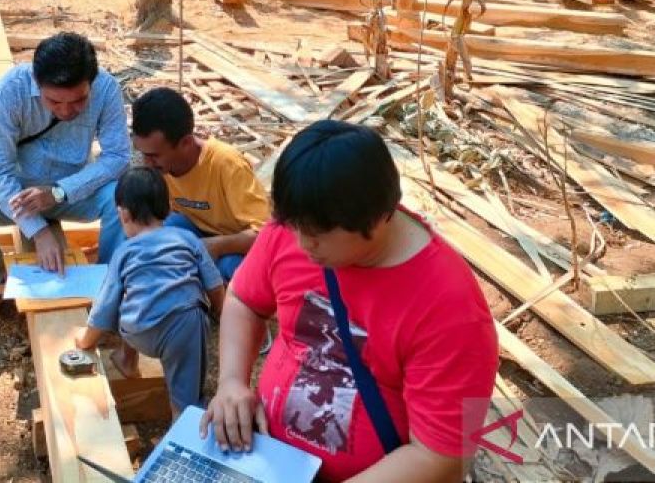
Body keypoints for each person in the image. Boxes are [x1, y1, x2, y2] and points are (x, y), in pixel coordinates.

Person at [201, 120, 498, 483]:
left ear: (377, 220)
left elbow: (441, 457)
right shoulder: (301, 224)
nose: (300, 244)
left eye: (315, 236)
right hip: (269, 460)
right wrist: (231, 381)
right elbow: (245, 300)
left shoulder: (451, 308)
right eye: (293, 227)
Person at [0, 32, 131, 324]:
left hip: (72, 190)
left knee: (124, 198)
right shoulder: (10, 91)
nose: (67, 111)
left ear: (91, 83)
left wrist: (59, 192)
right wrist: (39, 232)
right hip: (17, 194)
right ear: (36, 81)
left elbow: (118, 156)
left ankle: (106, 285)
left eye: (79, 101)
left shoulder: (106, 88)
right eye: (54, 101)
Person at [75, 167, 225, 417]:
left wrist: (86, 340)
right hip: (184, 327)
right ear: (168, 207)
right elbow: (214, 284)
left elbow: (105, 305)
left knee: (129, 298)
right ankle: (182, 420)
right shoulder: (187, 238)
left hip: (138, 330)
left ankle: (127, 359)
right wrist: (221, 312)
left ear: (123, 214)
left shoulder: (124, 251)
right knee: (185, 400)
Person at [130, 87, 268, 282]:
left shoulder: (227, 164)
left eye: (154, 155)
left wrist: (216, 246)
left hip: (235, 246)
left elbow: (264, 235)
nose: (147, 163)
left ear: (185, 143)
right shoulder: (162, 167)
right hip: (197, 235)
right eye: (143, 153)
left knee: (234, 269)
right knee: (157, 234)